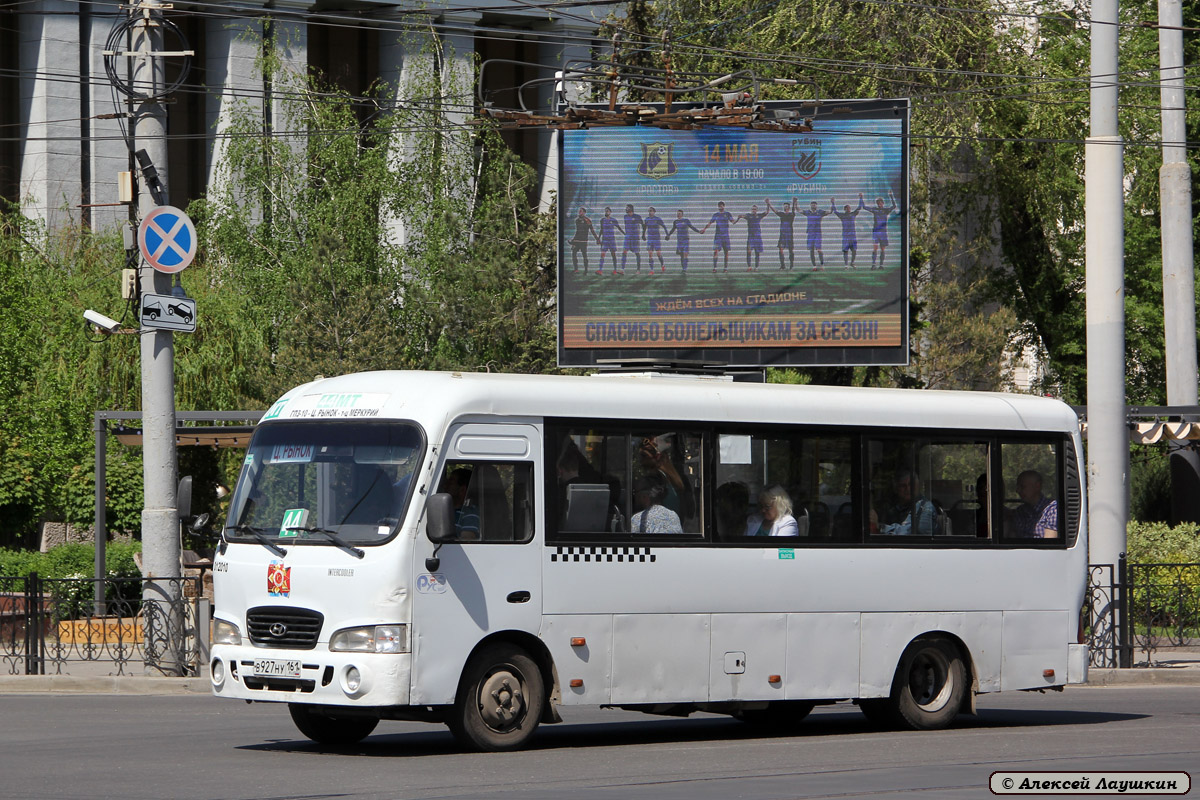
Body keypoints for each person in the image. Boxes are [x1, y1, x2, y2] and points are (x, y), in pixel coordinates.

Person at [873, 470, 937, 535]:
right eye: (903, 486)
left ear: (918, 486)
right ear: (896, 489)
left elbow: (912, 533)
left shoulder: (925, 507)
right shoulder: (892, 507)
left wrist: (880, 527)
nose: (908, 489)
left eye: (911, 484)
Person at [1012, 470, 1058, 538]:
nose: (1018, 491)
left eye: (1022, 486)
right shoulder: (1020, 511)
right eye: (1017, 487)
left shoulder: (1052, 510)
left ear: (1037, 486)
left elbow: (1049, 545)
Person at [439, 467, 480, 537]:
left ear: (462, 490)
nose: (445, 486)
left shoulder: (470, 513)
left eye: (450, 483)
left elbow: (466, 543)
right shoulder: (443, 510)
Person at [832, 194, 865, 268]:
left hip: (853, 236)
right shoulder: (842, 215)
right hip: (846, 236)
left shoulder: (853, 214)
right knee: (845, 251)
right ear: (845, 209)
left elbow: (859, 207)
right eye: (847, 208)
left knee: (854, 250)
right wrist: (833, 203)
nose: (849, 209)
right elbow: (835, 211)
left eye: (849, 208)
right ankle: (846, 265)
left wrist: (861, 198)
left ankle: (852, 262)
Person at [703, 201, 735, 272]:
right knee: (716, 251)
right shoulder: (716, 215)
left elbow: (733, 222)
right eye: (719, 206)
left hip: (725, 236)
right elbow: (710, 223)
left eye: (722, 205)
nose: (720, 207)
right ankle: (715, 268)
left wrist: (739, 218)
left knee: (726, 252)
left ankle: (725, 268)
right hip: (718, 236)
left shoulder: (727, 214)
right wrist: (704, 229)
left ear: (724, 206)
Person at [766, 197, 797, 270]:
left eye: (786, 206)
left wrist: (794, 202)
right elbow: (775, 211)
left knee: (790, 250)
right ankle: (782, 265)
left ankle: (791, 265)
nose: (785, 207)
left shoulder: (791, 215)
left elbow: (793, 210)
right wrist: (769, 203)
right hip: (782, 235)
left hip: (789, 235)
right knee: (780, 249)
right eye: (784, 206)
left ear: (788, 207)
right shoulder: (782, 214)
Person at [868, 192, 898, 269]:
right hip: (876, 232)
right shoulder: (875, 210)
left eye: (881, 202)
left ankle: (881, 265)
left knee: (882, 249)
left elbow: (894, 206)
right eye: (878, 203)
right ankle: (873, 264)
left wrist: (891, 195)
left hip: (883, 232)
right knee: (875, 248)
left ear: (883, 203)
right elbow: (865, 207)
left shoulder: (886, 210)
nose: (880, 204)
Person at [799, 200, 829, 270]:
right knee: (811, 250)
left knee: (819, 249)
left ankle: (822, 264)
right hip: (810, 233)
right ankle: (814, 266)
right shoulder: (808, 212)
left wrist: (832, 203)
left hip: (818, 233)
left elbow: (829, 212)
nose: (813, 206)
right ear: (810, 206)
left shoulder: (820, 212)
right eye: (812, 205)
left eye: (814, 205)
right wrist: (795, 203)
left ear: (816, 206)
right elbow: (799, 210)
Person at [569, 207, 598, 273]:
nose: (580, 212)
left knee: (584, 255)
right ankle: (576, 269)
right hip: (577, 241)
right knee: (574, 254)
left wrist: (597, 239)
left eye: (581, 211)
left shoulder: (588, 220)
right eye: (579, 211)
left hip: (583, 241)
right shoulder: (577, 220)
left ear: (584, 212)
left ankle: (586, 270)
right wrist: (573, 240)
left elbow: (592, 230)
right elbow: (577, 231)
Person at [741, 204, 769, 271]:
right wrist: (741, 216)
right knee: (749, 251)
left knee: (757, 252)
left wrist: (768, 204)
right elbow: (743, 216)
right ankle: (749, 266)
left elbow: (767, 212)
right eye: (753, 209)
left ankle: (756, 267)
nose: (754, 210)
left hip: (758, 237)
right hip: (751, 237)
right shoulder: (748, 216)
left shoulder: (759, 216)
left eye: (755, 209)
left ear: (757, 210)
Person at [596, 207, 623, 274]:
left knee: (613, 255)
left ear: (610, 212)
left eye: (607, 211)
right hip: (605, 240)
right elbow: (601, 230)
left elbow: (619, 228)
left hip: (611, 240)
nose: (606, 212)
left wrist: (625, 234)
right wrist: (598, 238)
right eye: (605, 211)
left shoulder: (613, 220)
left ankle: (615, 270)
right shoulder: (602, 220)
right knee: (602, 255)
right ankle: (600, 270)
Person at [643, 207, 668, 273]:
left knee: (658, 253)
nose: (650, 212)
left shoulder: (657, 219)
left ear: (654, 212)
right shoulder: (647, 219)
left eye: (651, 211)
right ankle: (652, 270)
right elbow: (644, 228)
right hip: (650, 239)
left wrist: (667, 234)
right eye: (649, 211)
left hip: (656, 239)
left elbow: (664, 226)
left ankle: (662, 265)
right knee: (650, 254)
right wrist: (643, 235)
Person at [621, 204, 644, 273]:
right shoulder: (625, 217)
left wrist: (643, 234)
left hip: (635, 238)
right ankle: (622, 269)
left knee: (637, 253)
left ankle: (638, 269)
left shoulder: (637, 217)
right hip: (628, 237)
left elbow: (643, 225)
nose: (626, 209)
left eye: (627, 208)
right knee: (624, 252)